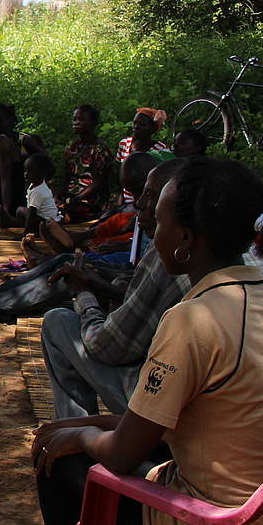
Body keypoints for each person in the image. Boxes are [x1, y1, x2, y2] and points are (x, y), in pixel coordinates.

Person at [33, 157, 263, 525]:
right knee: (109, 462)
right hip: (260, 503)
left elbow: (122, 453)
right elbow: (209, 417)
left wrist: (79, 431)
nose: (152, 229)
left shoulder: (192, 320)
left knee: (69, 469)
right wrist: (101, 420)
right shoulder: (261, 291)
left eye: (159, 220)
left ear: (184, 240)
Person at [39, 158, 192, 419]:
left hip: (166, 411)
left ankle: (75, 435)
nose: (141, 204)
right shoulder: (248, 266)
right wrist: (107, 287)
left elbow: (108, 346)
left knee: (58, 321)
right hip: (210, 412)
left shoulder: (171, 253)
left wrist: (84, 293)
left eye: (150, 196)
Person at [0, 156, 163, 326]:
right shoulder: (148, 215)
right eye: (135, 194)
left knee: (70, 271)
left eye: (143, 194)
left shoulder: (168, 230)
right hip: (128, 270)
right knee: (64, 260)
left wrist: (96, 278)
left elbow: (144, 286)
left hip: (130, 278)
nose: (139, 202)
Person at [60, 105, 113, 224]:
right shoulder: (72, 146)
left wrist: (77, 198)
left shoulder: (99, 149)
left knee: (69, 211)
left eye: (81, 119)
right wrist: (59, 195)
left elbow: (98, 183)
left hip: (90, 200)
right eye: (74, 119)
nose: (76, 123)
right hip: (71, 197)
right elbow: (67, 175)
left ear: (93, 123)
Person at [116, 108, 170, 204]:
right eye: (135, 123)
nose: (136, 126)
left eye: (142, 124)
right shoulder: (124, 144)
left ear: (152, 129)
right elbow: (120, 176)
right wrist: (120, 202)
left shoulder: (160, 150)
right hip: (126, 201)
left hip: (147, 203)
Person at [0, 152, 60, 234]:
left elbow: (32, 215)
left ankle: (15, 223)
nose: (25, 174)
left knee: (26, 213)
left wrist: (25, 234)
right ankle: (13, 222)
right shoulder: (34, 186)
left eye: (29, 171)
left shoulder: (38, 191)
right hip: (45, 220)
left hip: (48, 225)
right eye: (25, 170)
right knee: (20, 210)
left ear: (41, 173)